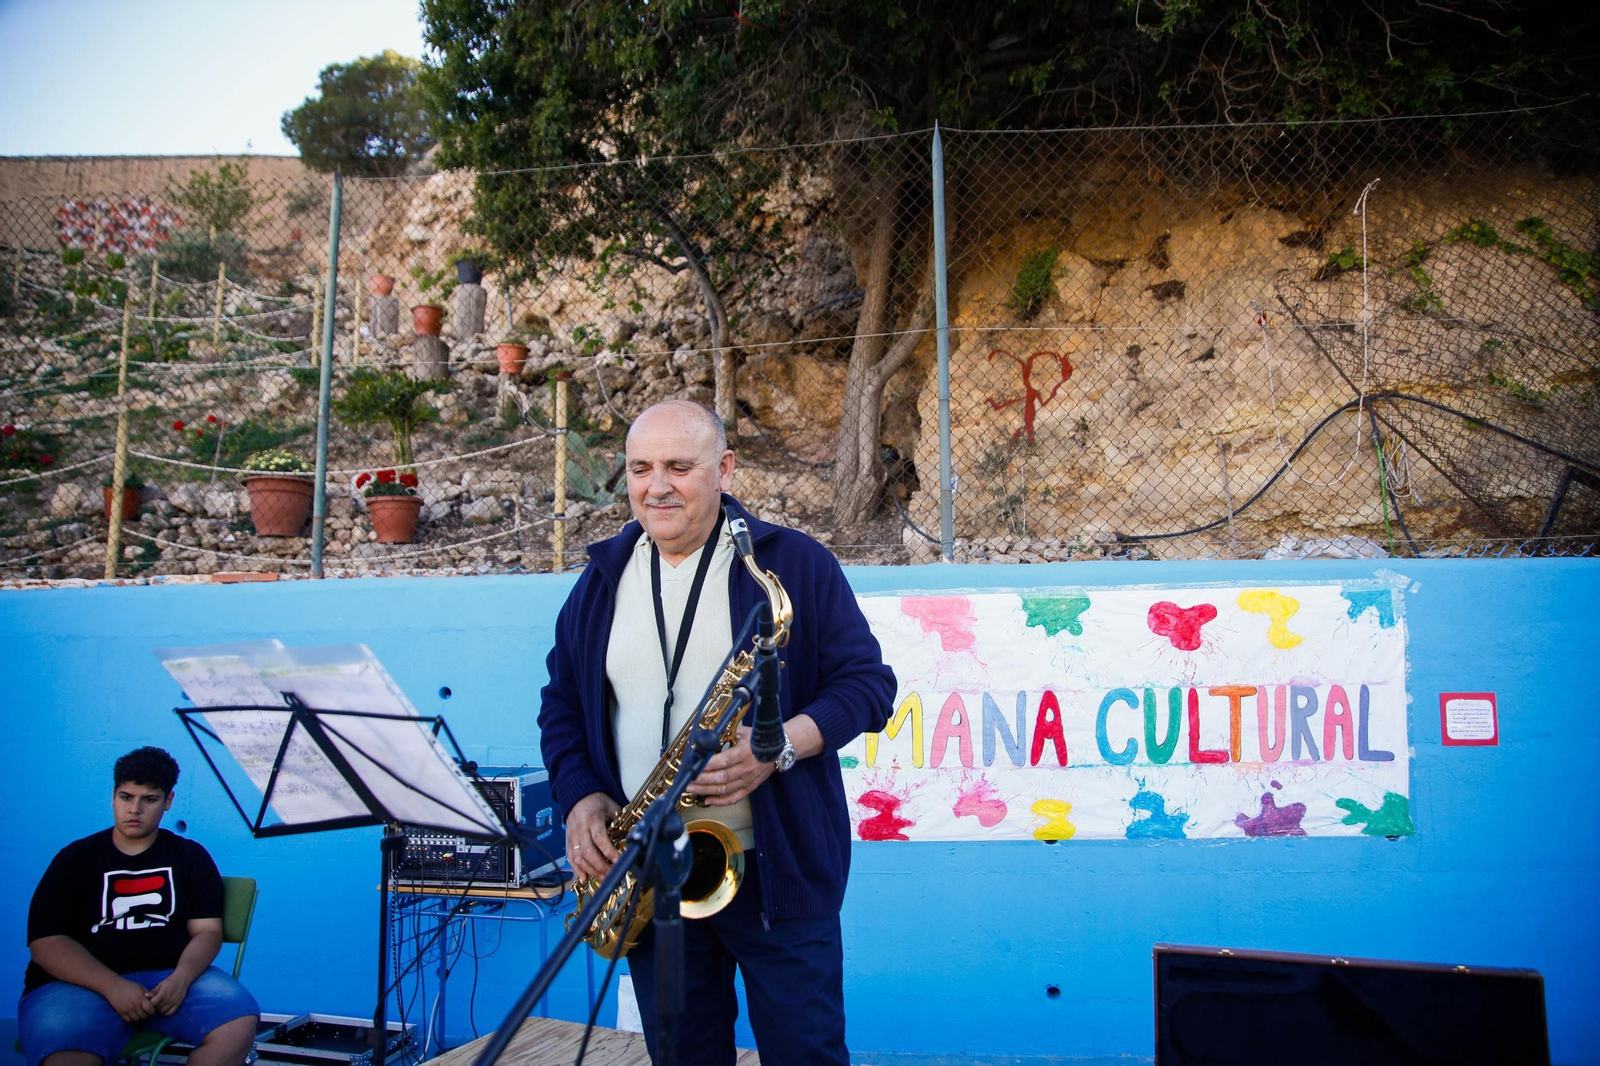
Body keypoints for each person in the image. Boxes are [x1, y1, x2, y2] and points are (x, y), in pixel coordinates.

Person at [539, 400, 895, 1065]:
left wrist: (777, 747)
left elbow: (869, 688)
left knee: (806, 1055)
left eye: (679, 466)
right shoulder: (601, 580)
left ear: (724, 468)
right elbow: (560, 704)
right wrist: (580, 793)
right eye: (641, 468)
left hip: (775, 874)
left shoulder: (792, 565)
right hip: (651, 870)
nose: (657, 485)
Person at [19, 747, 259, 1066]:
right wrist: (112, 986)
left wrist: (182, 978)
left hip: (168, 979)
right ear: (113, 796)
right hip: (77, 986)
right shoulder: (75, 859)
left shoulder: (190, 856)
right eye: (126, 797)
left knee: (239, 1020)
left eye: (149, 799)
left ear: (168, 801)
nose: (135, 809)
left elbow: (207, 931)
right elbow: (47, 943)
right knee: (67, 1057)